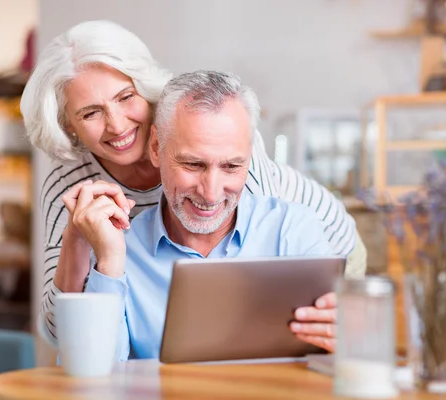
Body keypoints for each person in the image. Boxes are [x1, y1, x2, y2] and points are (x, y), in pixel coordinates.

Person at [19, 20, 367, 349]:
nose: (117, 125)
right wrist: (78, 240)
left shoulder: (209, 134)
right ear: (69, 125)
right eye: (90, 113)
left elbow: (248, 243)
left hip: (330, 248)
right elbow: (60, 330)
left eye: (126, 97)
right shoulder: (72, 183)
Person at [81, 70, 348, 359]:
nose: (210, 193)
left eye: (232, 167)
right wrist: (109, 261)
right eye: (193, 164)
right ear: (157, 148)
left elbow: (333, 360)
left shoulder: (292, 230)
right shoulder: (121, 249)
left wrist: (342, 342)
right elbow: (94, 375)